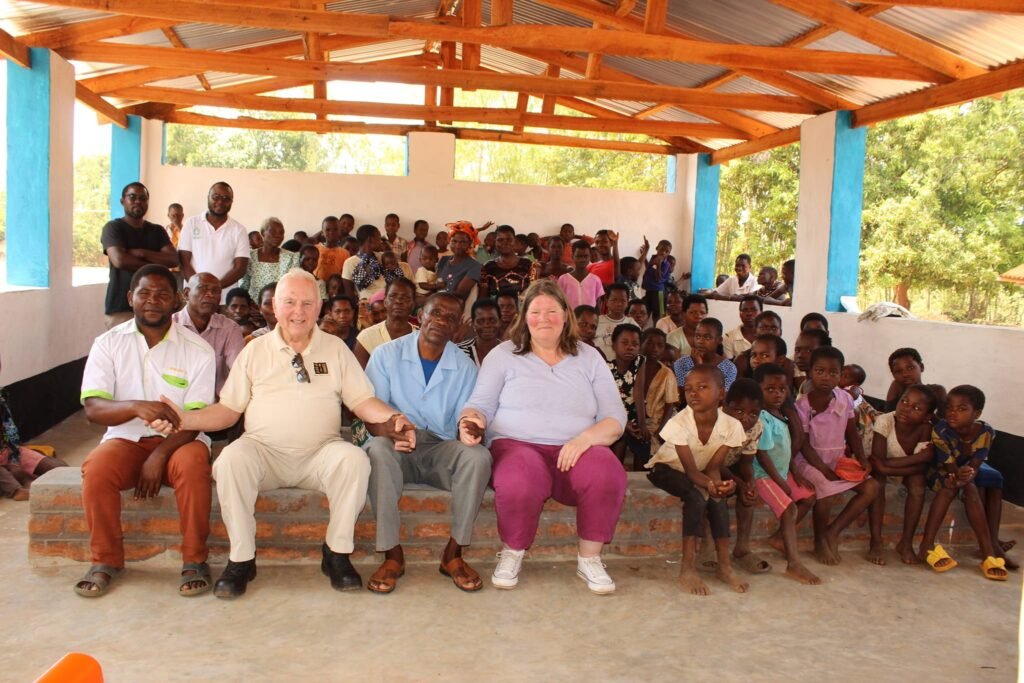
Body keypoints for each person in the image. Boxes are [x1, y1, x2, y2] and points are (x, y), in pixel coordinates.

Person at [149, 269, 416, 598]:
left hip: (321, 453)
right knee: (231, 460)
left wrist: (395, 418)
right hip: (264, 453)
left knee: (355, 460)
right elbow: (228, 411)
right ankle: (242, 559)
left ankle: (336, 553)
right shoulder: (254, 351)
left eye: (307, 303)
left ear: (319, 307)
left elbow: (362, 401)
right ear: (275, 306)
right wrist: (182, 419)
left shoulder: (335, 349)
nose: (298, 311)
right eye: (289, 302)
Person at [459, 280, 627, 594]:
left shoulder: (589, 357)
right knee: (520, 477)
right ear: (524, 317)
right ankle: (512, 551)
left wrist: (584, 439)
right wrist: (470, 421)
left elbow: (615, 417)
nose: (543, 318)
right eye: (535, 311)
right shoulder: (503, 355)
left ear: (566, 315)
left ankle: (589, 559)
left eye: (552, 311)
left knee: (608, 472)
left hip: (576, 448)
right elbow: (479, 405)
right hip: (516, 445)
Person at [75, 264, 216, 598]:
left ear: (177, 301)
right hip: (124, 437)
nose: (153, 301)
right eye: (144, 293)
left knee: (195, 466)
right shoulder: (108, 343)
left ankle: (195, 560)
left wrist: (158, 455)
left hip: (181, 440)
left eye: (162, 294)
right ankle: (106, 561)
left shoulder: (198, 350)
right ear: (130, 297)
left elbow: (195, 419)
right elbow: (94, 408)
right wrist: (138, 406)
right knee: (96, 470)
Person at [363, 293, 492, 593]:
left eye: (450, 317)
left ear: (457, 327)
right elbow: (369, 411)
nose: (440, 321)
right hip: (394, 444)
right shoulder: (385, 355)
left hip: (438, 448)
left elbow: (466, 417)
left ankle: (453, 553)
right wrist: (389, 428)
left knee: (479, 458)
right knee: (378, 451)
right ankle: (392, 555)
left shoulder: (465, 368)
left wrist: (471, 427)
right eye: (435, 313)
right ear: (420, 316)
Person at [647, 365, 748, 596]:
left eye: (703, 387)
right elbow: (692, 473)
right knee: (696, 495)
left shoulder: (732, 427)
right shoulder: (679, 423)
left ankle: (724, 566)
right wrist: (709, 485)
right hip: (667, 469)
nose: (693, 393)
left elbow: (713, 467)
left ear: (721, 393)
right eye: (689, 389)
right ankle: (688, 568)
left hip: (699, 472)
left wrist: (720, 486)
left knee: (717, 500)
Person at [794, 347, 880, 566]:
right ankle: (818, 541)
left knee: (871, 487)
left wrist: (861, 458)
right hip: (809, 462)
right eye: (820, 371)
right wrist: (823, 470)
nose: (826, 377)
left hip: (837, 459)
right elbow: (803, 444)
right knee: (826, 491)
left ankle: (832, 531)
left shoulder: (844, 398)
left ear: (841, 375)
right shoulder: (803, 405)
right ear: (810, 372)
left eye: (833, 372)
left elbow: (851, 431)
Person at [917, 385, 1010, 580]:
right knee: (957, 486)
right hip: (940, 470)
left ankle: (988, 549)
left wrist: (969, 472)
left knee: (973, 484)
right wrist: (962, 475)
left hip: (966, 472)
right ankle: (987, 553)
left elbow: (976, 463)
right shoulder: (941, 430)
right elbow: (948, 465)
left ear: (977, 413)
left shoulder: (986, 432)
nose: (953, 413)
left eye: (962, 409)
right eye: (949, 407)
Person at [751, 364, 821, 585]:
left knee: (810, 495)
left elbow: (785, 447)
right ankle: (794, 563)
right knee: (789, 508)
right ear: (758, 390)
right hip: (763, 475)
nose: (777, 393)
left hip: (782, 471)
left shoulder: (781, 414)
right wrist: (780, 482)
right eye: (770, 389)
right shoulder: (761, 417)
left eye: (782, 389)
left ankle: (779, 538)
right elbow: (762, 454)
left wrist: (794, 472)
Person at [866, 384, 936, 566]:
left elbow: (921, 468)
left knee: (918, 485)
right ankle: (875, 540)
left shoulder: (925, 429)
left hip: (900, 468)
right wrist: (918, 458)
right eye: (904, 401)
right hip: (879, 465)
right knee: (877, 483)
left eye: (917, 408)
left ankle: (906, 542)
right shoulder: (885, 421)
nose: (906, 408)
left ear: (927, 416)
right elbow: (876, 462)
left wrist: (888, 468)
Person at [101, 182, 178, 329]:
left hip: (156, 306)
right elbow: (120, 260)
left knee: (155, 350)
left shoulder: (157, 231)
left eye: (143, 198)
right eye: (132, 197)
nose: (138, 201)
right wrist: (157, 266)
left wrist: (142, 253)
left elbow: (173, 259)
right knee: (122, 351)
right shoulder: (113, 228)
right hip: (121, 306)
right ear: (122, 201)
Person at [1, 355, 67, 501]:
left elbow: (10, 432)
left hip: (7, 451)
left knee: (60, 469)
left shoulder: (1, 397)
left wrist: (14, 453)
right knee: (9, 475)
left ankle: (19, 476)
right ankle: (16, 488)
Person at [174, 273, 244, 400]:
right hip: (175, 401)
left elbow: (239, 372)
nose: (210, 294)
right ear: (186, 293)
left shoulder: (229, 328)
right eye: (203, 288)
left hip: (216, 404)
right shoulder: (171, 325)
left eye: (216, 291)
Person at [178, 182, 249, 304]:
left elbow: (240, 268)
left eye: (226, 198)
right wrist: (199, 288)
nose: (220, 201)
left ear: (232, 202)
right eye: (215, 196)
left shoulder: (239, 230)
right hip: (194, 297)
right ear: (208, 197)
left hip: (224, 300)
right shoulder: (192, 223)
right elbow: (184, 262)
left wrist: (214, 289)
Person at [607, 324, 649, 470]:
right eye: (624, 343)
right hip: (613, 416)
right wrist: (623, 425)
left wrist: (642, 424)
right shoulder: (606, 368)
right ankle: (615, 472)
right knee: (621, 437)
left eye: (635, 344)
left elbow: (638, 393)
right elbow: (607, 401)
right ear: (614, 345)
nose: (630, 347)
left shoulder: (640, 362)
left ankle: (639, 474)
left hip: (634, 413)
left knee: (642, 437)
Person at [353, 278, 417, 368]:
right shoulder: (367, 337)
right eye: (393, 296)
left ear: (413, 304)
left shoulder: (421, 337)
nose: (398, 301)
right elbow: (359, 377)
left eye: (405, 298)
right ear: (385, 302)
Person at [674, 318, 737, 399]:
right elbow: (684, 397)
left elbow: (722, 399)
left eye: (707, 337)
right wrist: (697, 366)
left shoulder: (729, 368)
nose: (700, 341)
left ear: (719, 340)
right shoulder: (682, 363)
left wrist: (699, 367)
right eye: (697, 336)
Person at [638, 328, 678, 457]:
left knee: (650, 443)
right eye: (649, 343)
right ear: (641, 344)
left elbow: (669, 404)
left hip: (657, 420)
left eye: (660, 345)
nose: (654, 348)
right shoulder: (633, 368)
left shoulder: (667, 373)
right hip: (636, 419)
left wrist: (661, 428)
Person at [241, 217, 299, 303]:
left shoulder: (291, 258)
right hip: (254, 309)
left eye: (281, 232)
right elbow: (243, 286)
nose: (278, 235)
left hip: (281, 308)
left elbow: (294, 287)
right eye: (273, 231)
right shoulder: (250, 257)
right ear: (262, 233)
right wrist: (250, 306)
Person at [480, 225, 533, 299]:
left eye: (509, 239)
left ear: (514, 241)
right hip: (496, 309)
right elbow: (483, 297)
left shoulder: (527, 264)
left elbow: (533, 293)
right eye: (500, 240)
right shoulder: (488, 266)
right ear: (495, 242)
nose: (505, 243)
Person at [341, 224, 386, 301]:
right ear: (370, 240)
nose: (380, 241)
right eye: (378, 238)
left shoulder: (382, 257)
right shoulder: (350, 262)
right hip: (367, 303)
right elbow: (349, 292)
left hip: (387, 299)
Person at [436, 231, 482, 303]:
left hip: (453, 305)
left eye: (463, 242)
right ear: (449, 241)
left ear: (469, 244)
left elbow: (459, 293)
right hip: (435, 300)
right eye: (454, 241)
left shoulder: (474, 265)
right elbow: (436, 283)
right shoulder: (443, 260)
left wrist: (433, 298)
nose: (457, 245)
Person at [558, 240, 605, 310]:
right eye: (579, 256)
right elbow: (559, 303)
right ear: (572, 256)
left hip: (590, 320)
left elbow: (598, 306)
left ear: (590, 257)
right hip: (570, 319)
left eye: (586, 256)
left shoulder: (595, 280)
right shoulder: (563, 279)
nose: (583, 259)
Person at [594, 283, 635, 359]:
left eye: (622, 300)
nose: (618, 304)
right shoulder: (597, 321)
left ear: (627, 302)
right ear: (607, 301)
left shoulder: (632, 324)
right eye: (614, 300)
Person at [457, 298, 501, 366]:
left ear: (500, 322)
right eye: (481, 321)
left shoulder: (509, 351)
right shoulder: (460, 351)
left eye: (492, 320)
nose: (487, 325)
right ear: (473, 324)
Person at [792, 328, 831, 396]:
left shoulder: (824, 387)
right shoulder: (805, 383)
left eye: (809, 351)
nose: (800, 355)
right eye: (797, 350)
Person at [642, 239, 673, 319]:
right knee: (645, 312)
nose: (663, 252)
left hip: (660, 293)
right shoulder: (653, 258)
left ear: (669, 253)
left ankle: (659, 330)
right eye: (662, 249)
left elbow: (659, 279)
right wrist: (644, 254)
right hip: (649, 290)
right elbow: (649, 268)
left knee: (659, 315)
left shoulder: (666, 264)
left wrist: (658, 265)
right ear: (657, 248)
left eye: (667, 251)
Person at [314, 216, 350, 283]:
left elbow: (345, 275)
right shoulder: (315, 249)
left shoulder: (345, 253)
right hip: (316, 285)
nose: (331, 232)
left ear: (339, 231)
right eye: (328, 230)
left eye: (335, 229)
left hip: (334, 288)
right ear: (322, 232)